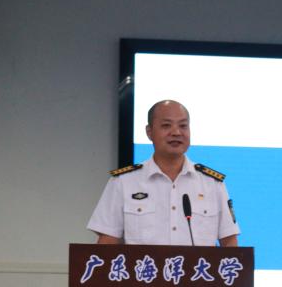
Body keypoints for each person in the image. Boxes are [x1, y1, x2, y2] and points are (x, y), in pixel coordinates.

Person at [87, 100, 239, 247]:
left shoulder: (212, 184)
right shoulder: (123, 182)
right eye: (166, 125)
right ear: (149, 132)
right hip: (144, 266)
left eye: (183, 126)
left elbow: (229, 242)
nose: (176, 132)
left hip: (197, 266)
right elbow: (107, 243)